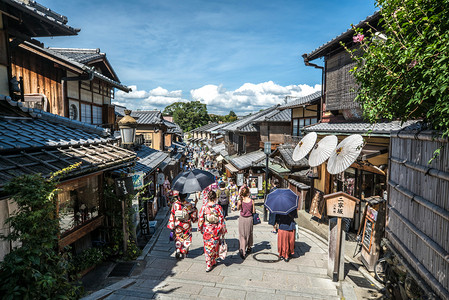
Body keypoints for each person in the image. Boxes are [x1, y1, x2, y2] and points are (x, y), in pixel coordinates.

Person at [198, 190, 227, 272]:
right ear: (215, 198)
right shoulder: (218, 207)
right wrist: (222, 230)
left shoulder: (204, 207)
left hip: (207, 229)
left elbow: (200, 219)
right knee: (214, 246)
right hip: (215, 230)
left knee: (207, 247)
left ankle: (209, 263)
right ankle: (212, 261)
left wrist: (200, 228)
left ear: (207, 197)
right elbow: (221, 219)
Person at [167, 192, 198, 259]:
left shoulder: (175, 204)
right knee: (186, 236)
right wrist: (195, 207)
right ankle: (184, 249)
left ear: (179, 196)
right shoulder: (189, 205)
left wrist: (172, 224)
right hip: (186, 224)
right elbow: (193, 215)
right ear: (186, 196)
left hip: (178, 224)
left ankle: (178, 248)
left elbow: (172, 214)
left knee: (178, 236)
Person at [237, 186, 254, 260]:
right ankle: (249, 247)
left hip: (242, 219)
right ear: (248, 193)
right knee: (249, 233)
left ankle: (242, 250)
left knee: (242, 234)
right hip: (249, 219)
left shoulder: (240, 201)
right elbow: (253, 211)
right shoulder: (252, 201)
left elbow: (238, 209)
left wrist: (240, 204)